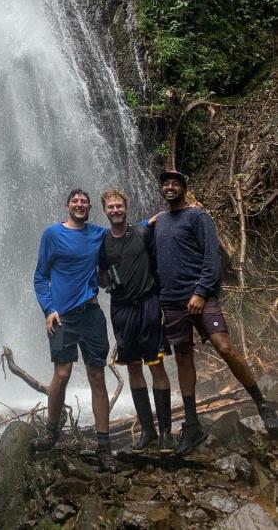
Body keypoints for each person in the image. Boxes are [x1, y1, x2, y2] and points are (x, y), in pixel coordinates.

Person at [153, 170, 278, 454]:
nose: (170, 187)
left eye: (175, 183)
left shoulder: (198, 217)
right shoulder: (158, 222)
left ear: (184, 188)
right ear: (162, 189)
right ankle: (192, 424)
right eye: (166, 184)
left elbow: (213, 257)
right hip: (171, 301)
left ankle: (261, 404)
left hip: (201, 297)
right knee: (184, 357)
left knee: (225, 346)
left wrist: (200, 292)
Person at [33, 188, 112, 471]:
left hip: (91, 313)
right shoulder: (52, 234)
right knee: (62, 373)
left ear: (90, 206)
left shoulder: (98, 234)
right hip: (62, 316)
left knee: (97, 376)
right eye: (75, 201)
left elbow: (123, 230)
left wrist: (151, 222)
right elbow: (41, 277)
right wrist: (49, 309)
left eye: (84, 201)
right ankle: (51, 431)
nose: (79, 204)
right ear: (67, 205)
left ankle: (104, 446)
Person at [98, 188, 174, 454]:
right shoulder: (103, 242)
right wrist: (106, 281)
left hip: (148, 304)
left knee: (156, 365)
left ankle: (166, 431)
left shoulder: (142, 233)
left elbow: (160, 261)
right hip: (122, 310)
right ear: (104, 210)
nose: (115, 210)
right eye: (111, 207)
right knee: (132, 367)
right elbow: (102, 276)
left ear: (126, 207)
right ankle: (148, 431)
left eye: (119, 206)